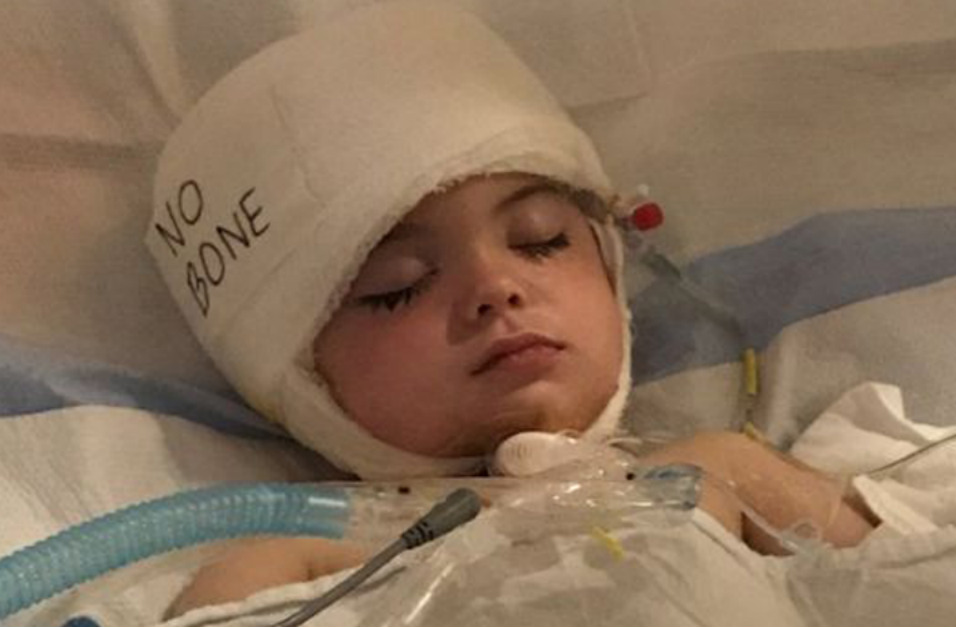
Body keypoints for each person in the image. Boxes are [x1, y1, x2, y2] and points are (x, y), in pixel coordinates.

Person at [148, 2, 876, 618]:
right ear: (303, 383)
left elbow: (913, 588)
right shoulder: (291, 559)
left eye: (540, 239)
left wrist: (739, 470)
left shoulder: (720, 477)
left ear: (610, 258)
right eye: (399, 285)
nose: (496, 288)